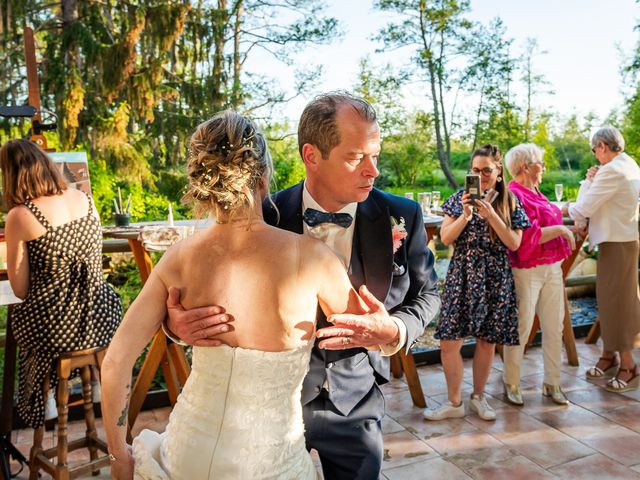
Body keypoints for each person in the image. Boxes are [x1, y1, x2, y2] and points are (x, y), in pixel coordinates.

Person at [163, 93, 441, 479]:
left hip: (356, 403)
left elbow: (427, 295)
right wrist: (176, 327)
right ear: (312, 155)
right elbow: (206, 280)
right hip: (271, 413)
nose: (373, 170)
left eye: (375, 154)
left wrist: (395, 330)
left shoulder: (402, 216)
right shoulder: (261, 215)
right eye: (356, 156)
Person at [102, 111, 372, 479]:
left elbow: (116, 362)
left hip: (187, 454)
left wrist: (119, 456)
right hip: (267, 464)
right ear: (263, 177)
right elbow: (368, 329)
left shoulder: (179, 257)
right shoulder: (311, 258)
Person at [0, 139, 121, 429]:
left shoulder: (20, 215)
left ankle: (47, 397)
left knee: (22, 317)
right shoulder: (83, 198)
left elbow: (20, 289)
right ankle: (92, 386)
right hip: (101, 315)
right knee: (46, 316)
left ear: (11, 175)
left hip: (59, 329)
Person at [423, 144, 530, 422]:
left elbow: (514, 243)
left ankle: (478, 397)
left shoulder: (509, 202)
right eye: (475, 170)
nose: (480, 176)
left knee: (486, 341)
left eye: (486, 171)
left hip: (495, 277)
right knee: (449, 341)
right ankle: (454, 402)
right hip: (463, 273)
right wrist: (466, 216)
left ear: (498, 173)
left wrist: (491, 215)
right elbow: (445, 238)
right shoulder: (459, 199)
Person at [564, 126, 640, 393]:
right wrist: (592, 181)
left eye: (594, 149)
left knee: (617, 304)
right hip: (623, 240)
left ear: (603, 146)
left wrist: (568, 202)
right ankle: (609, 356)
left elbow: (583, 208)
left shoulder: (612, 170)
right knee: (610, 301)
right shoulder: (629, 163)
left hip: (616, 244)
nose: (594, 154)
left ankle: (629, 367)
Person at [502, 143, 576, 406]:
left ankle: (552, 383)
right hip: (526, 270)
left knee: (554, 325)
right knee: (521, 328)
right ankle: (511, 382)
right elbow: (526, 238)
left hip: (551, 267)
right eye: (540, 163)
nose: (543, 167)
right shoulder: (512, 195)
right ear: (526, 167)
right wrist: (561, 230)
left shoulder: (537, 192)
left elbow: (549, 218)